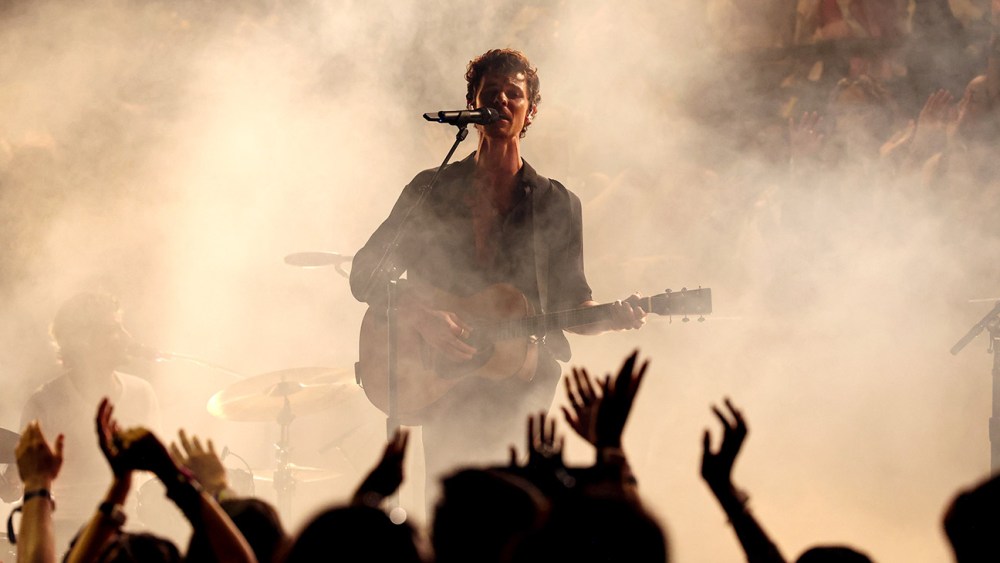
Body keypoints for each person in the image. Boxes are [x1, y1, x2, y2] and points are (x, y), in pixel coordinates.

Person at [349, 48, 646, 494]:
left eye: (514, 94)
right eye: (492, 93)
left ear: (530, 112)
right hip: (444, 383)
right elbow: (365, 273)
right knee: (453, 519)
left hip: (522, 391)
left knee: (519, 518)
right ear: (472, 105)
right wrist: (419, 315)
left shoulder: (557, 204)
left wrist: (610, 317)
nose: (503, 101)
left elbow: (571, 305)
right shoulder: (433, 189)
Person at [17, 292, 160, 551]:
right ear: (83, 341)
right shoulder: (44, 403)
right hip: (65, 535)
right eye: (113, 330)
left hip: (127, 529)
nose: (127, 338)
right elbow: (18, 485)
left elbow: (153, 472)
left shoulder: (142, 393)